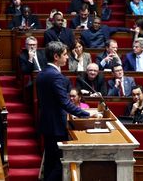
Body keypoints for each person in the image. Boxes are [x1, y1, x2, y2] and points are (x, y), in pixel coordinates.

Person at [36, 41, 97, 181]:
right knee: (58, 164)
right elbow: (64, 103)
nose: (67, 57)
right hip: (56, 126)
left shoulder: (42, 73)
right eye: (64, 54)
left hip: (47, 124)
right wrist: (87, 113)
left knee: (51, 163)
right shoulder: (55, 76)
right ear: (56, 56)